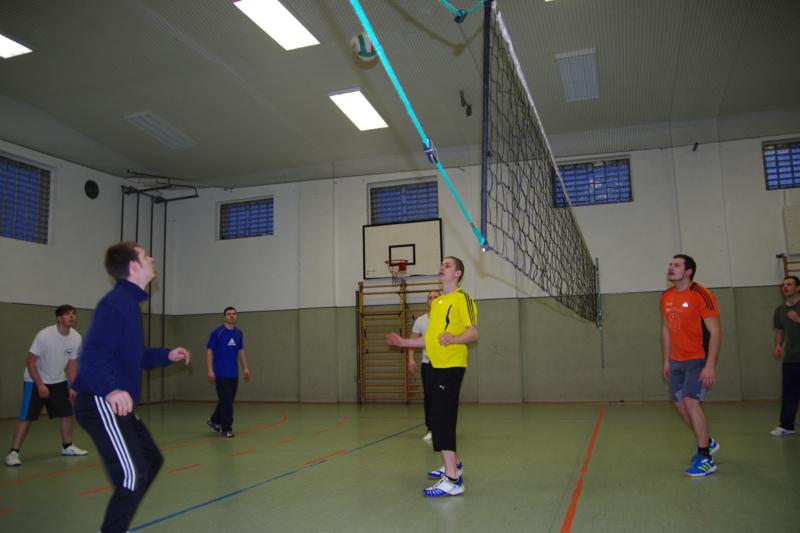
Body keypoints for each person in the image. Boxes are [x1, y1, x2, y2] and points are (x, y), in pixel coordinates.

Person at [71, 241, 191, 533]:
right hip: (100, 401)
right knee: (132, 476)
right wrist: (111, 390)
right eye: (145, 256)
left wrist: (166, 355)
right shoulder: (116, 303)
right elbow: (92, 356)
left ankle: (120, 511)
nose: (152, 258)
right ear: (134, 266)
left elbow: (134, 356)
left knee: (150, 460)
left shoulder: (130, 304)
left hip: (117, 405)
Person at [387, 257, 478, 497]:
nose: (441, 267)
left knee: (441, 420)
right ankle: (454, 465)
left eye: (447, 265)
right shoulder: (437, 303)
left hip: (451, 365)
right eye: (441, 264)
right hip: (435, 365)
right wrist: (404, 342)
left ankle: (453, 480)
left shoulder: (462, 298)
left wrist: (455, 339)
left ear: (458, 273)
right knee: (438, 418)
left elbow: (473, 333)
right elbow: (429, 340)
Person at [660, 254, 721, 477]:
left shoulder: (701, 294)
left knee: (691, 402)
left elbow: (716, 332)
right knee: (680, 406)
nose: (671, 268)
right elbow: (666, 329)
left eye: (676, 265)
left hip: (698, 358)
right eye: (670, 264)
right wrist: (666, 360)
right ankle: (708, 441)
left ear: (688, 271)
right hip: (676, 360)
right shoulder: (666, 296)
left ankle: (705, 457)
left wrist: (710, 365)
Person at [5, 305, 88, 467]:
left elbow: (72, 364)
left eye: (73, 314)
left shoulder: (76, 337)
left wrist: (73, 386)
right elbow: (30, 361)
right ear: (59, 318)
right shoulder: (44, 335)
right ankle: (13, 453)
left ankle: (67, 446)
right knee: (26, 417)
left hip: (58, 380)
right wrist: (40, 384)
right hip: (35, 380)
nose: (72, 316)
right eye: (67, 314)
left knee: (67, 413)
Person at [206, 306, 251, 438]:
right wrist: (210, 370)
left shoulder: (238, 333)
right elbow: (209, 351)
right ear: (224, 317)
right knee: (226, 402)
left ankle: (214, 420)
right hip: (220, 374)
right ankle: (226, 428)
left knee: (227, 400)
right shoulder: (217, 333)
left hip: (233, 374)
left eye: (234, 314)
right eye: (229, 314)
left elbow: (240, 350)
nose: (232, 316)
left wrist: (245, 367)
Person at [407, 290, 441, 442]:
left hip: (444, 364)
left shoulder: (447, 319)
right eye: (430, 298)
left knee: (443, 396)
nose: (432, 300)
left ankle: (443, 427)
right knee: (429, 397)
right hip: (427, 365)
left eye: (436, 297)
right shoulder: (420, 321)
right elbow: (413, 342)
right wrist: (411, 359)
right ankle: (431, 428)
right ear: (427, 301)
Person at [771, 275, 800, 436]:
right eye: (784, 284)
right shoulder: (780, 310)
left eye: (789, 284)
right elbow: (780, 330)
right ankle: (787, 426)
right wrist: (778, 345)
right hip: (791, 358)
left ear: (798, 288)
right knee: (789, 392)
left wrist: (798, 319)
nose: (785, 287)